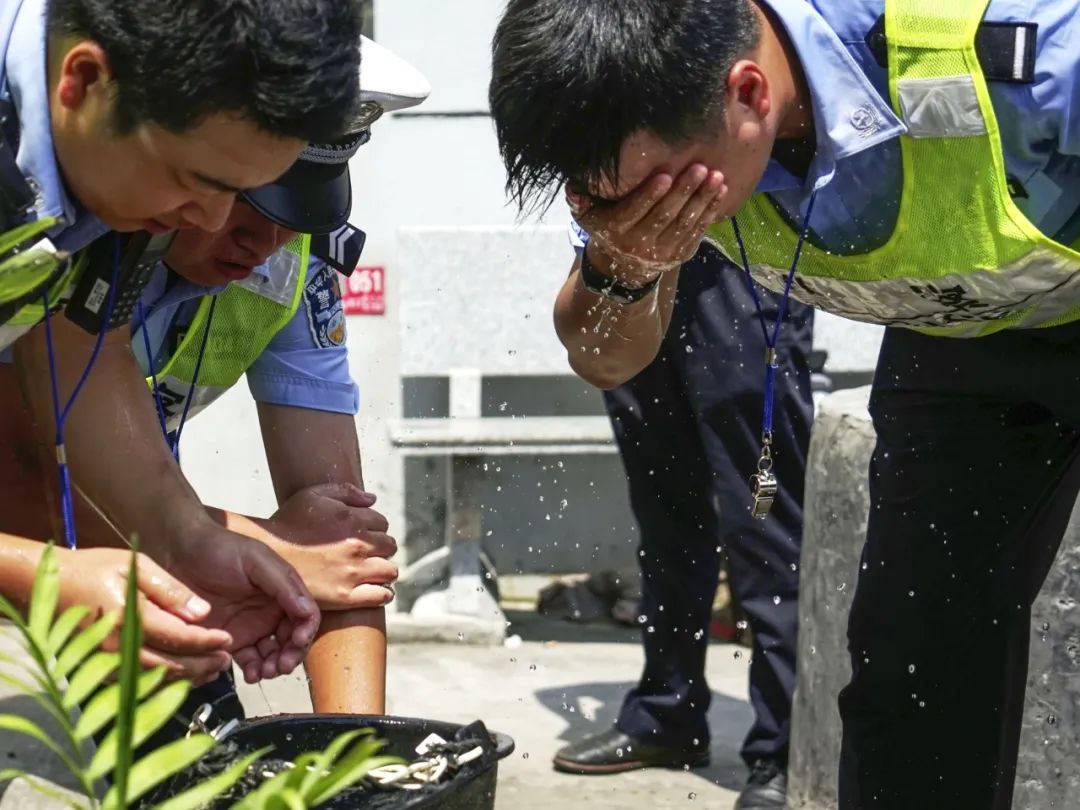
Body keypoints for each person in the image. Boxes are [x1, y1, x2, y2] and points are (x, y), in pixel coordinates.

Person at [489, 0, 1080, 808]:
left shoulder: (1025, 43)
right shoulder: (653, 136)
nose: (632, 218)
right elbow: (603, 351)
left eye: (642, 200)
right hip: (967, 331)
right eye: (600, 205)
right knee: (913, 681)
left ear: (749, 96)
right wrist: (622, 262)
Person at [4, 37, 431, 717]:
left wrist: (359, 747)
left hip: (129, 555)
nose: (257, 244)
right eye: (232, 196)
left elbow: (337, 537)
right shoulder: (74, 202)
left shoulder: (286, 265)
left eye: (287, 220)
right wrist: (264, 543)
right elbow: (33, 467)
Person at [551, 242, 812, 810]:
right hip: (635, 251)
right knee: (665, 518)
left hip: (740, 256)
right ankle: (666, 715)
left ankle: (784, 750)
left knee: (765, 528)